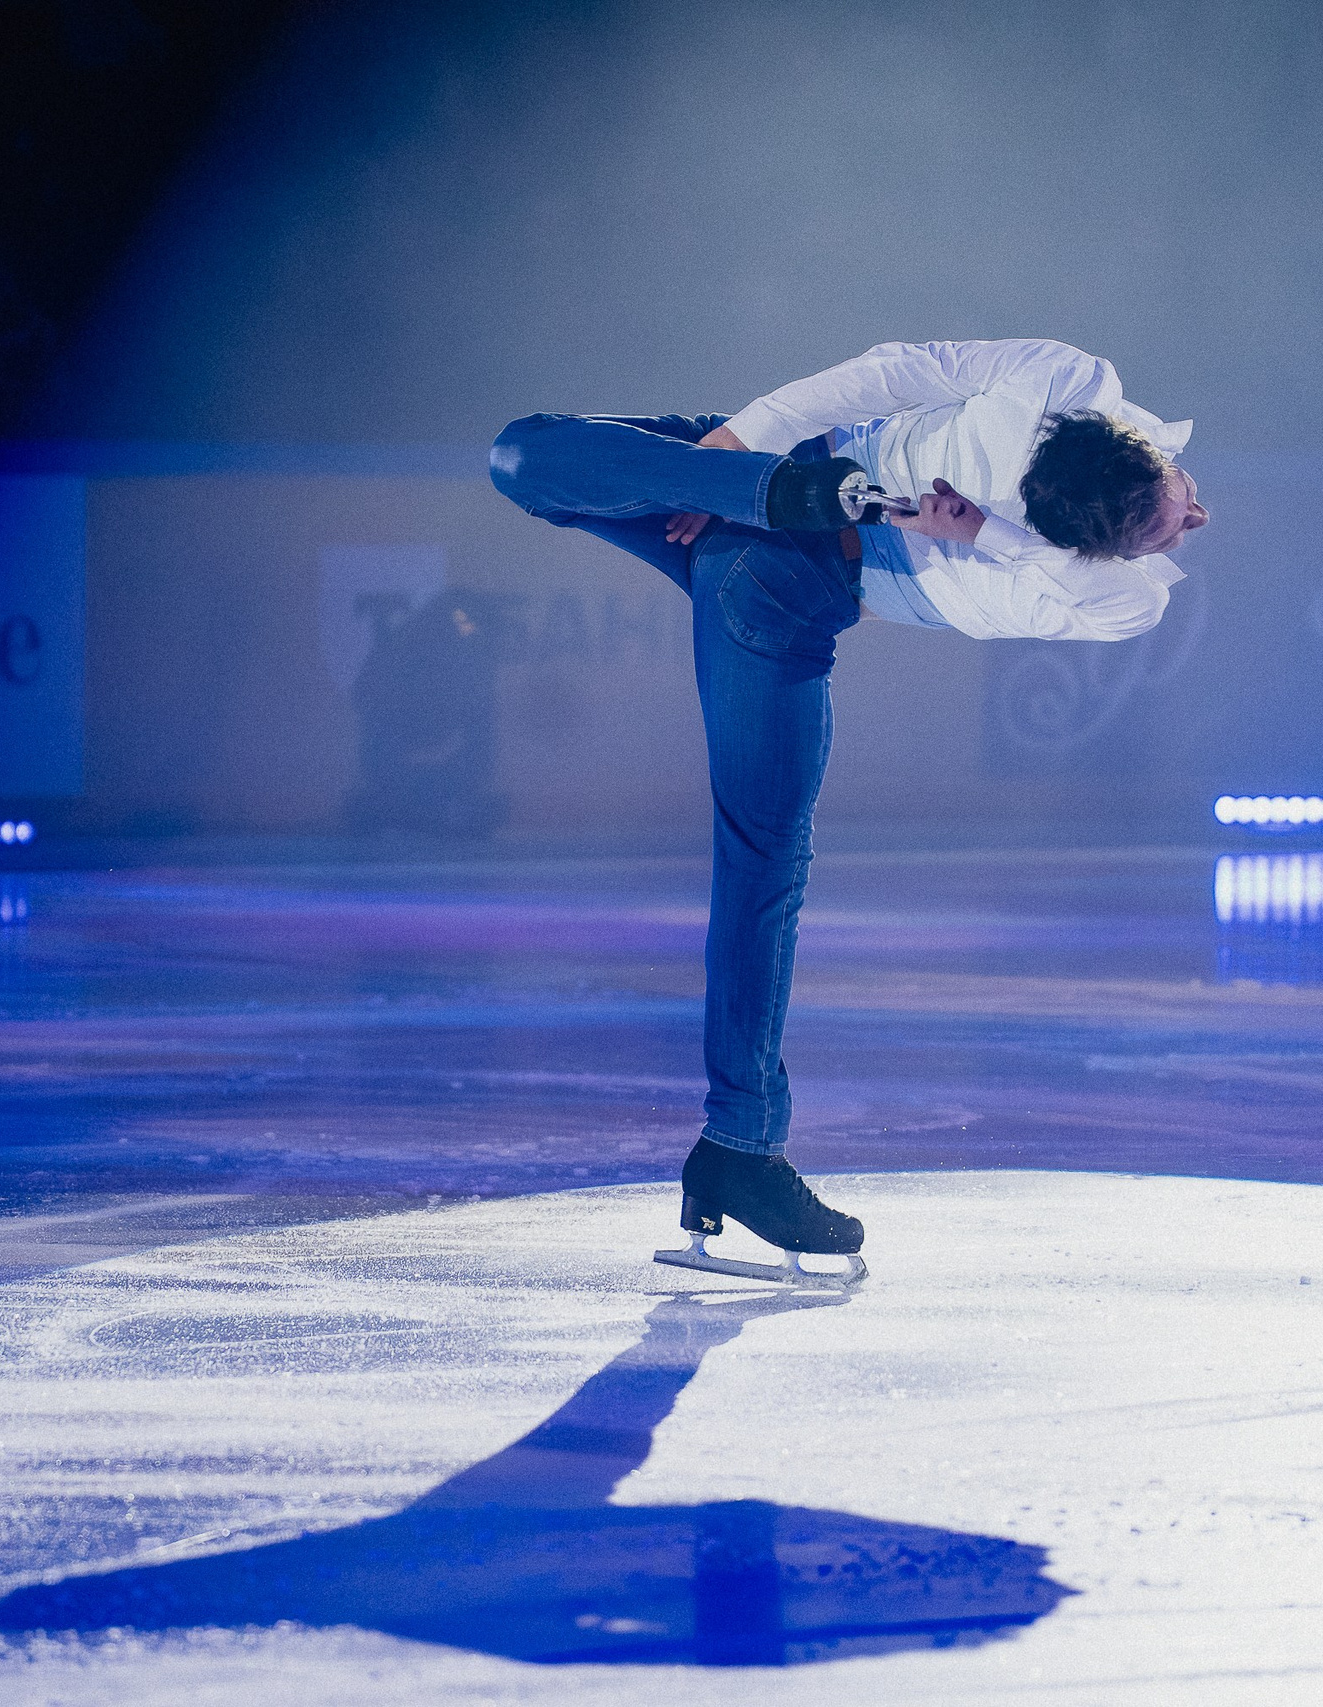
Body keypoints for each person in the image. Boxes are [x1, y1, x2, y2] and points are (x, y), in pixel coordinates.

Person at [488, 339, 1208, 1282]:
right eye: (1176, 501)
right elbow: (887, 373)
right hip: (775, 473)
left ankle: (741, 1145)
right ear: (1130, 445)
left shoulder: (1117, 598)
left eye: (1165, 532)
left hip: (785, 593)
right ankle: (738, 1151)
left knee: (762, 863)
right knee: (523, 455)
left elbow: (1077, 578)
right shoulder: (1064, 377)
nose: (1198, 512)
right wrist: (728, 459)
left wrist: (983, 533)